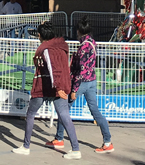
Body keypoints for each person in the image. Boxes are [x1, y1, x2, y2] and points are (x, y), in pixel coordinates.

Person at [14, 21, 80, 157]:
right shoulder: (62, 47)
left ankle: (26, 146)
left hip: (45, 86)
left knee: (31, 114)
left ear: (40, 35)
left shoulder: (46, 49)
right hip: (60, 85)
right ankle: (75, 149)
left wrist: (58, 86)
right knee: (65, 116)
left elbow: (52, 68)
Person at [51, 17, 113, 153]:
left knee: (64, 108)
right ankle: (107, 141)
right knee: (95, 111)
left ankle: (59, 138)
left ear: (79, 31)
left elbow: (81, 70)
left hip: (82, 82)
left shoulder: (83, 47)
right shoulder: (92, 42)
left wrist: (74, 89)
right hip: (92, 81)